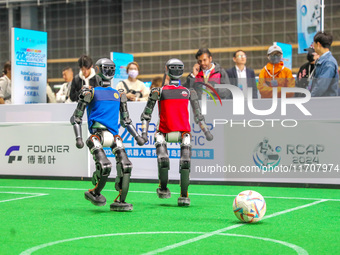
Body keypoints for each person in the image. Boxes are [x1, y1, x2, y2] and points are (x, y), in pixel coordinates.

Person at [70, 58, 144, 211]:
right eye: (105, 68)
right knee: (105, 165)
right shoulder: (90, 92)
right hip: (96, 135)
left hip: (113, 135)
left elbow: (126, 121)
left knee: (126, 165)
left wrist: (137, 136)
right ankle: (95, 192)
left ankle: (121, 200)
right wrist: (78, 138)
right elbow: (76, 117)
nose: (108, 71)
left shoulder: (119, 94)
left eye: (111, 68)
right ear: (98, 70)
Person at [140, 59, 213, 207]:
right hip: (163, 131)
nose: (175, 70)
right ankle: (163, 186)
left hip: (183, 131)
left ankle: (184, 194)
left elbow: (198, 115)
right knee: (163, 159)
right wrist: (144, 132)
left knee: (185, 161)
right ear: (167, 69)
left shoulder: (188, 92)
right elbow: (146, 114)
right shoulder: (158, 91)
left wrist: (205, 130)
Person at [310, 31, 339, 97]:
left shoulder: (328, 63)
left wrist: (310, 99)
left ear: (318, 44)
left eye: (313, 43)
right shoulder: (324, 61)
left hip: (326, 103)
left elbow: (321, 87)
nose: (313, 46)